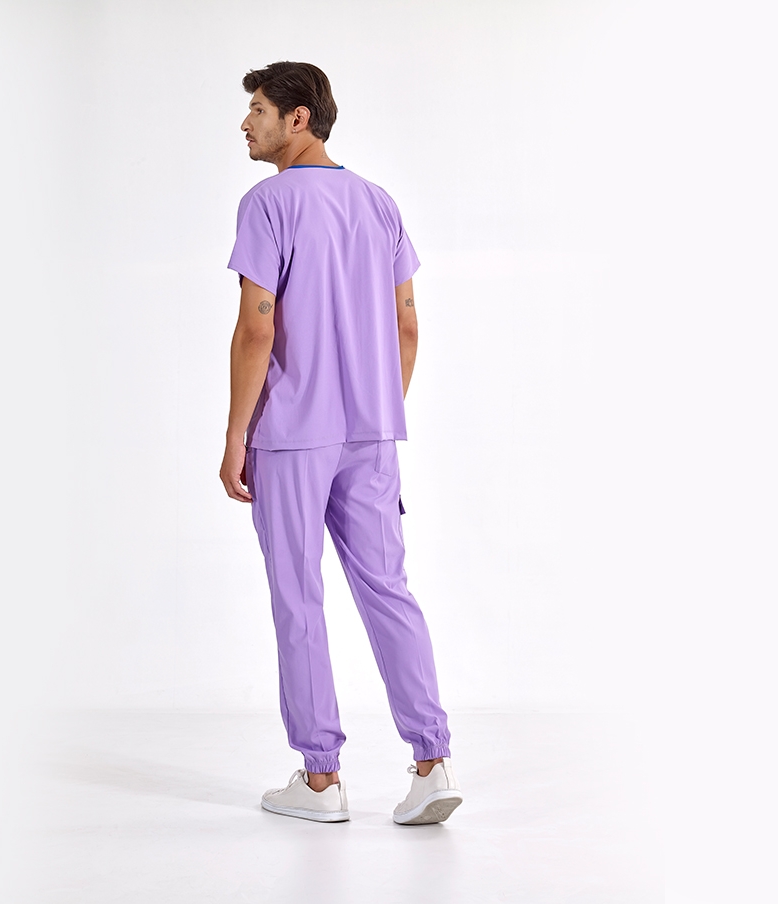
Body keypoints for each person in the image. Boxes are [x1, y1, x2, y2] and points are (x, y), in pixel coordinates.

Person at [220, 61, 463, 826]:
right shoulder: (379, 204)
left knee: (299, 595)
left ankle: (321, 781)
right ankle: (432, 764)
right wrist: (377, 406)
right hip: (371, 433)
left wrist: (235, 434)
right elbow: (408, 324)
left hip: (293, 435)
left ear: (299, 118)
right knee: (387, 587)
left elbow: (257, 327)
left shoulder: (267, 204)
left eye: (258, 109)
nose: (246, 123)